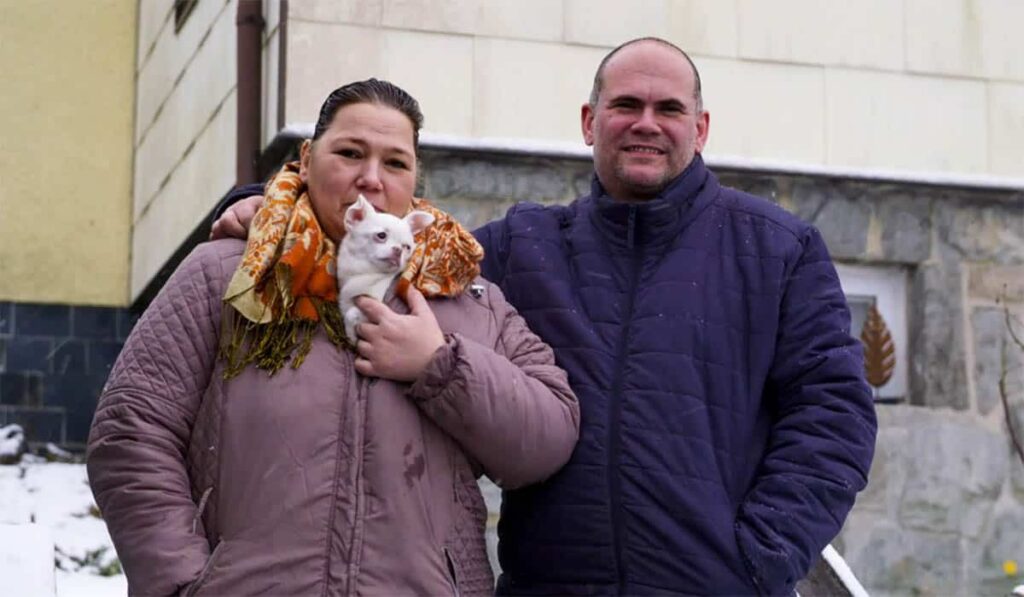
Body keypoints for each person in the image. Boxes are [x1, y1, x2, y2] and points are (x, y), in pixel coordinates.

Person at [213, 38, 878, 595]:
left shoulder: (777, 250)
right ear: (590, 121)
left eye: (668, 108)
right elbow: (386, 244)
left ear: (699, 129)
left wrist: (761, 559)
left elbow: (834, 417)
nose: (645, 121)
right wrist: (268, 207)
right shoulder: (521, 248)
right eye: (625, 105)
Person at [87, 79, 580, 597]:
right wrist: (186, 583)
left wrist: (439, 365)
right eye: (349, 153)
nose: (370, 178)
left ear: (414, 178)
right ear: (307, 156)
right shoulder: (230, 275)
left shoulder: (465, 298)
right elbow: (132, 433)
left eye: (395, 163)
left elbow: (545, 441)